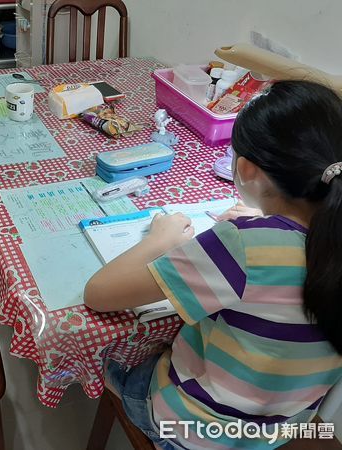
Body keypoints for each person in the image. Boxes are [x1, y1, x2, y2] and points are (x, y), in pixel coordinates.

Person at [84, 80, 342, 449]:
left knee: (118, 359)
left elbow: (100, 293)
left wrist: (160, 240)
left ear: (247, 170)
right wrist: (265, 219)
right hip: (283, 427)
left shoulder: (244, 244)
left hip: (200, 431)